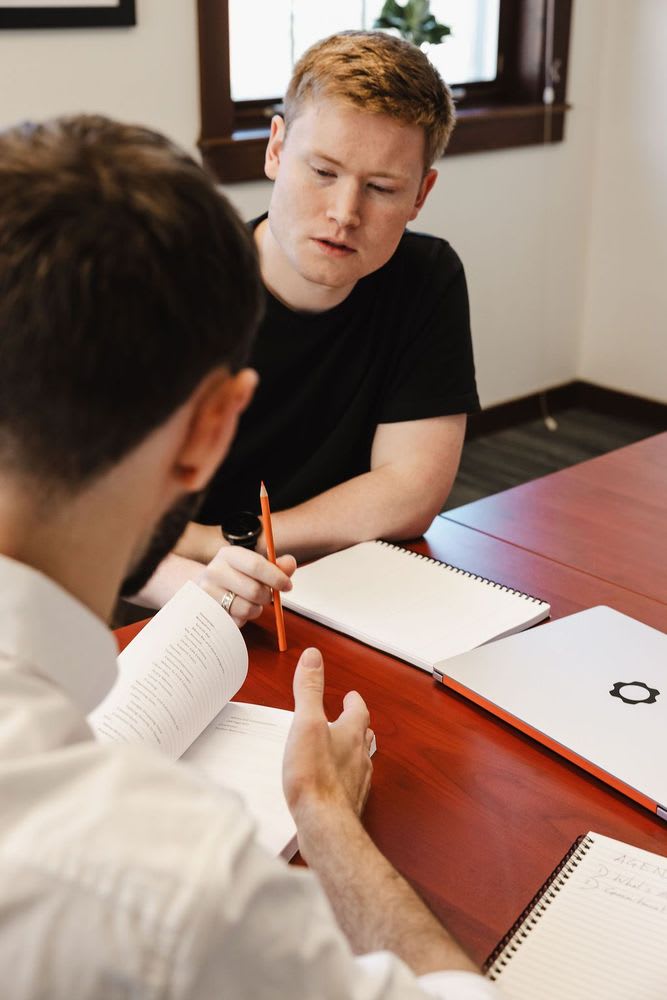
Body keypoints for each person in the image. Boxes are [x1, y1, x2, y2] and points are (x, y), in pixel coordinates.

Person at [0, 114, 498, 998]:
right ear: (210, 432)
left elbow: (412, 485)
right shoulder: (171, 894)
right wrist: (327, 818)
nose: (344, 211)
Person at [140, 29, 479, 614]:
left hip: (337, 590)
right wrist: (192, 575)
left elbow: (411, 490)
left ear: (421, 194)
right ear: (276, 148)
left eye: (380, 188)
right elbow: (70, 512)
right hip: (165, 594)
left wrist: (227, 538)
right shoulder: (171, 286)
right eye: (323, 172)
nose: (344, 214)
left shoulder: (428, 276)